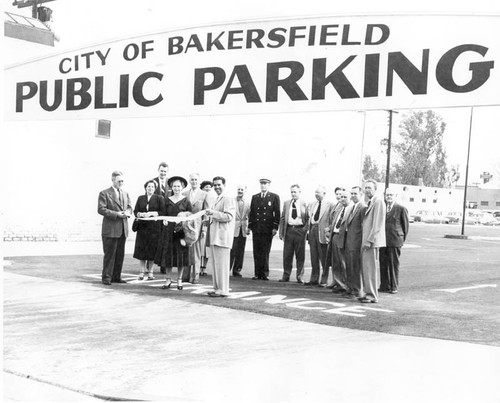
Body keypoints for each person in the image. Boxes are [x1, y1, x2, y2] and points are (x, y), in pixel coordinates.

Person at [154, 176, 192, 290]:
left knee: (180, 256)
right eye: (174, 186)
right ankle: (168, 279)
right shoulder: (166, 200)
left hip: (180, 231)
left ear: (182, 187)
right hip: (168, 231)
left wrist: (183, 218)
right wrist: (164, 220)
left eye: (178, 186)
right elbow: (163, 214)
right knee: (168, 256)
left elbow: (190, 214)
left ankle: (179, 280)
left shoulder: (186, 200)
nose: (176, 188)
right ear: (171, 187)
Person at [97, 170, 133, 285]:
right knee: (110, 255)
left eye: (122, 181)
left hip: (122, 229)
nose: (121, 183)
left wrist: (128, 211)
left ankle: (116, 276)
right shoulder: (104, 193)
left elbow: (129, 207)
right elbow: (101, 209)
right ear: (113, 180)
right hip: (110, 230)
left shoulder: (125, 193)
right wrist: (117, 214)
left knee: (119, 255)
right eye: (119, 181)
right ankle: (106, 277)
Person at [205, 176, 235, 297]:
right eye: (215, 185)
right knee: (216, 264)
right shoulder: (216, 199)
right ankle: (217, 288)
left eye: (219, 185)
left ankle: (223, 290)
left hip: (222, 237)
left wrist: (213, 213)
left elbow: (228, 216)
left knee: (222, 265)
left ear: (224, 185)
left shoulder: (228, 198)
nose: (217, 187)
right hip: (215, 236)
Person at [358, 180, 386, 304]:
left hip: (371, 241)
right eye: (365, 188)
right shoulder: (370, 202)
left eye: (369, 187)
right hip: (367, 240)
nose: (367, 190)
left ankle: (372, 295)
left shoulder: (378, 202)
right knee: (366, 268)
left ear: (375, 189)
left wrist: (370, 240)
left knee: (370, 269)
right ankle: (367, 292)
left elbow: (377, 224)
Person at [248, 178, 280, 281]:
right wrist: (250, 226)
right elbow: (252, 213)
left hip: (267, 228)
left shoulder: (274, 197)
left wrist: (275, 227)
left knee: (265, 251)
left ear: (269, 185)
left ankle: (265, 273)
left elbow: (277, 213)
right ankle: (257, 273)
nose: (263, 185)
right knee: (256, 251)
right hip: (257, 228)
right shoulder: (255, 197)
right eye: (261, 184)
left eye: (265, 184)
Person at [379, 188, 409, 294]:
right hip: (383, 240)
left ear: (395, 196)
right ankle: (384, 285)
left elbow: (405, 227)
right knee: (383, 263)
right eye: (387, 195)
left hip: (395, 240)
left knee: (393, 264)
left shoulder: (401, 208)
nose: (389, 197)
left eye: (391, 195)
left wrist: (401, 239)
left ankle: (394, 286)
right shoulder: (382, 207)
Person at [133, 180, 164, 280]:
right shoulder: (140, 198)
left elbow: (162, 211)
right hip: (142, 228)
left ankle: (150, 272)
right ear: (145, 188)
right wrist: (140, 214)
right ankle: (142, 272)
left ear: (155, 188)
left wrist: (152, 213)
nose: (150, 188)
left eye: (152, 187)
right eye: (148, 186)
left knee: (152, 251)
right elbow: (135, 210)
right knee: (141, 251)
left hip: (154, 229)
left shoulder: (159, 198)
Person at [279, 184, 309, 283]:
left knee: (300, 255)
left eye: (295, 192)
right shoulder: (287, 203)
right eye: (291, 192)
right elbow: (283, 218)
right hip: (289, 230)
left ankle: (299, 276)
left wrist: (305, 229)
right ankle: (286, 275)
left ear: (299, 192)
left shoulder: (305, 203)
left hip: (300, 230)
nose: (293, 194)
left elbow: (308, 218)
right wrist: (281, 232)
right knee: (287, 254)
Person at [182, 173, 208, 283]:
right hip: (186, 226)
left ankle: (195, 276)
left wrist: (204, 229)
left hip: (198, 226)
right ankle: (185, 276)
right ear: (189, 180)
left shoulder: (204, 194)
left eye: (196, 180)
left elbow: (206, 213)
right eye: (192, 180)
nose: (194, 182)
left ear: (199, 180)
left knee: (196, 252)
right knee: (186, 250)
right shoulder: (184, 193)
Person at [342, 186, 366, 299]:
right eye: (351, 193)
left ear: (361, 194)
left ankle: (356, 290)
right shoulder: (353, 207)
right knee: (349, 266)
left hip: (356, 242)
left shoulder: (362, 207)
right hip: (349, 241)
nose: (352, 196)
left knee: (355, 267)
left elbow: (363, 226)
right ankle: (350, 288)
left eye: (355, 193)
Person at [305, 186, 333, 286]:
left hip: (322, 232)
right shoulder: (312, 204)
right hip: (313, 230)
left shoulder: (329, 204)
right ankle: (314, 278)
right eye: (315, 192)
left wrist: (328, 229)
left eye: (318, 193)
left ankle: (324, 280)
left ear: (324, 193)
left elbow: (332, 219)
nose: (316, 194)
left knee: (324, 258)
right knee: (313, 256)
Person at [328, 190, 351, 294]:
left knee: (343, 262)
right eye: (341, 197)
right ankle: (339, 283)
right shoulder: (339, 209)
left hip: (343, 237)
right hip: (335, 236)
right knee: (336, 262)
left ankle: (346, 285)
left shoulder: (350, 209)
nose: (342, 199)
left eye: (345, 197)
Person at [230, 185, 250, 277]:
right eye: (239, 189)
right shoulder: (232, 201)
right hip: (233, 229)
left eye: (242, 190)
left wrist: (249, 227)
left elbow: (250, 216)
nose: (240, 191)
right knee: (232, 250)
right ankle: (227, 269)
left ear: (245, 191)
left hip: (243, 229)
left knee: (240, 251)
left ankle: (237, 270)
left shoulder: (248, 202)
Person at [199, 180, 213, 276]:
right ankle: (200, 266)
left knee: (207, 247)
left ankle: (205, 267)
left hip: (211, 225)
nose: (208, 188)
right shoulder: (201, 197)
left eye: (209, 187)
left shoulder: (214, 198)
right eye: (206, 187)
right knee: (201, 247)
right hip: (202, 224)